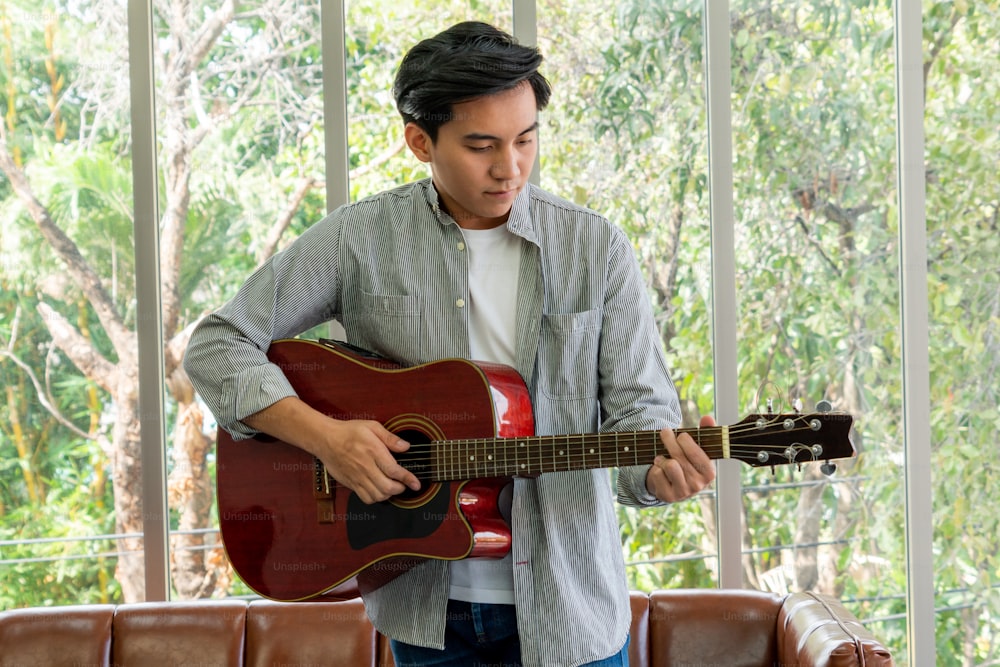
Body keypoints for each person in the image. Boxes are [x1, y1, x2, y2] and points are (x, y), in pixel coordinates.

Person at [184, 21, 715, 667]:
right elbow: (216, 342)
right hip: (424, 608)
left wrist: (661, 475)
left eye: (526, 139)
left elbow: (640, 413)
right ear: (419, 141)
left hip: (571, 613)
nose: (510, 166)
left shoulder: (596, 248)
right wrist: (325, 437)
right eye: (481, 145)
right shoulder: (360, 237)